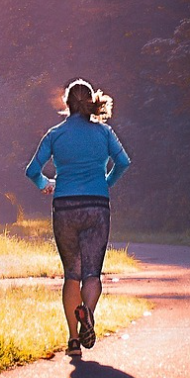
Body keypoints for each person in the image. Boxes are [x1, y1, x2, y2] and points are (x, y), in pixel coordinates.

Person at [25, 79, 131, 358]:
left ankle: (73, 341)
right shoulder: (105, 133)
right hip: (97, 205)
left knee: (72, 274)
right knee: (92, 273)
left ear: (67, 103)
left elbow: (31, 170)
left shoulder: (55, 134)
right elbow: (124, 162)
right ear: (90, 103)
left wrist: (46, 183)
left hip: (65, 206)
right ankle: (88, 313)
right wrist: (106, 181)